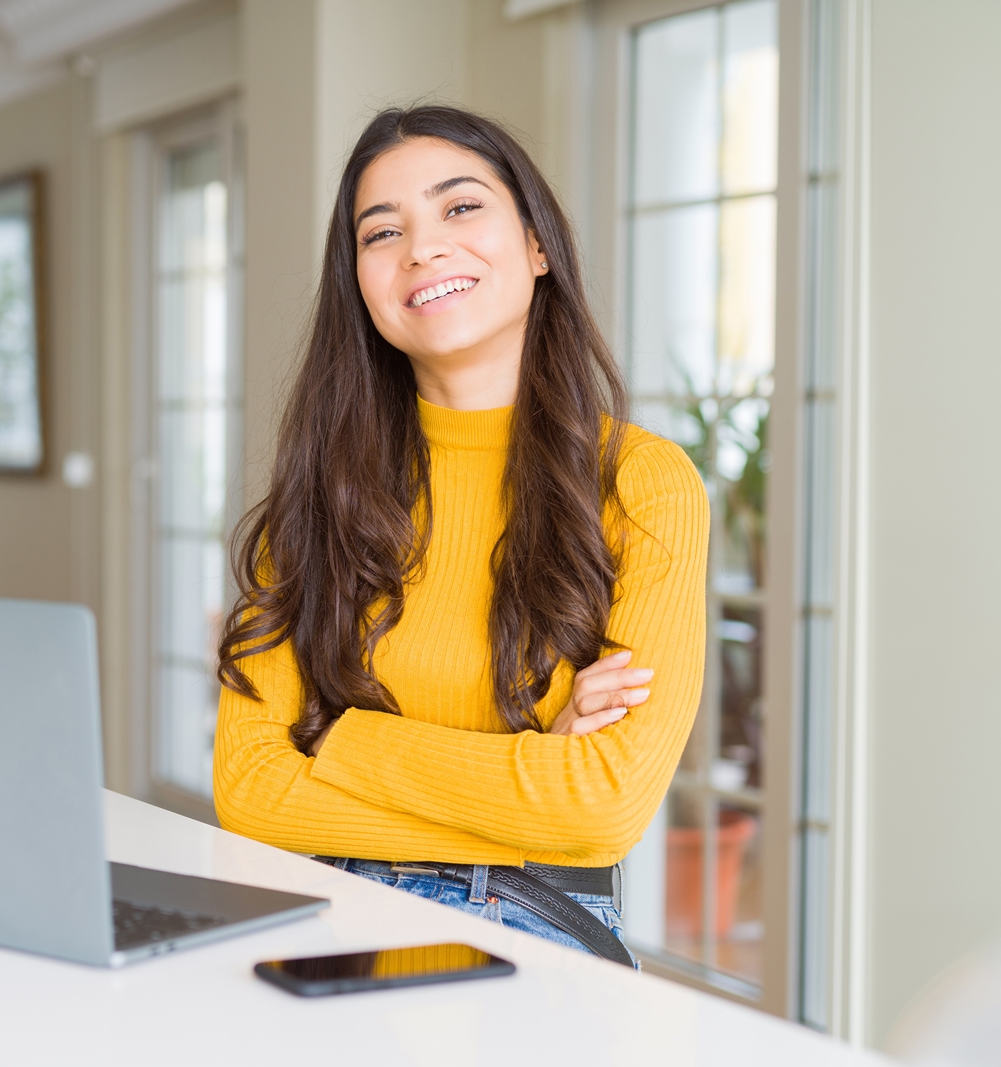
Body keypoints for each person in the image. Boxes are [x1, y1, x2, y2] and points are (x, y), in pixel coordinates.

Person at [213, 105, 708, 966]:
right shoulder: (315, 501)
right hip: (325, 916)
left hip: (528, 923)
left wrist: (339, 738)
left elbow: (602, 809)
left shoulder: (641, 484)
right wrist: (526, 775)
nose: (423, 248)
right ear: (359, 284)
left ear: (538, 244)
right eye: (382, 231)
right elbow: (251, 792)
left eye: (461, 207)